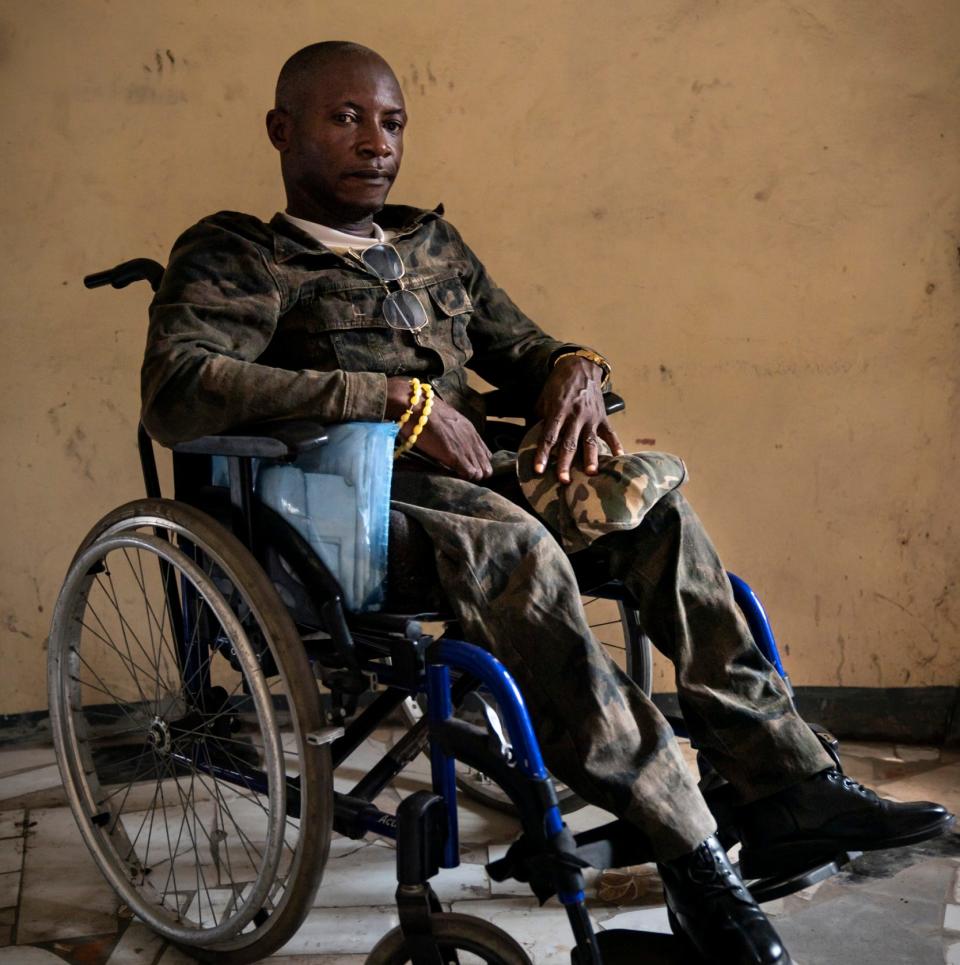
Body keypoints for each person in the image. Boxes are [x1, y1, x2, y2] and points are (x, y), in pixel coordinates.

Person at [140, 41, 954, 965]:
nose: (377, 143)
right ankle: (692, 855)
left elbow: (524, 347)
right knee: (518, 552)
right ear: (282, 130)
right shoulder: (241, 254)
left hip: (487, 480)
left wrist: (576, 367)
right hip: (358, 508)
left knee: (652, 512)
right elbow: (180, 385)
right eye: (346, 118)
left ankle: (787, 788)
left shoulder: (431, 245)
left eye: (393, 122)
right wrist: (393, 402)